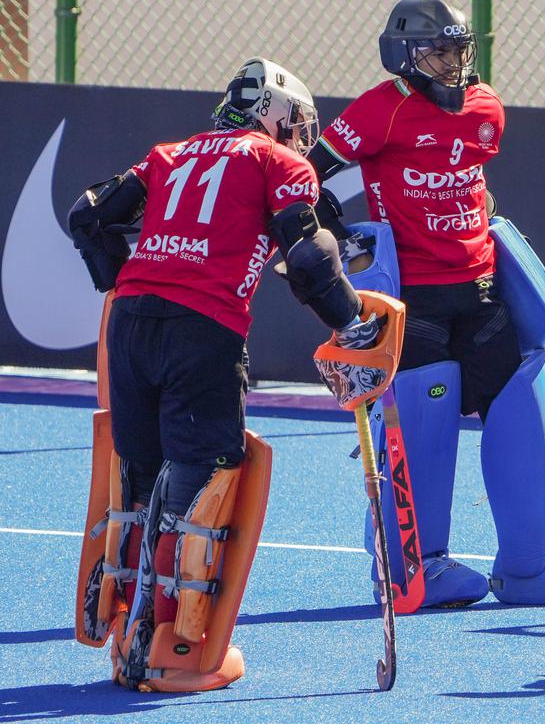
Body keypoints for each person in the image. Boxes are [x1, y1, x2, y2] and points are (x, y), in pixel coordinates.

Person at [70, 58, 378, 691]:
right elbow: (311, 259)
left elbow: (88, 215)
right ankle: (166, 647)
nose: (301, 140)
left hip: (128, 318)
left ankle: (122, 623)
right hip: (202, 327)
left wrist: (128, 278)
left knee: (139, 474)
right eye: (297, 126)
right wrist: (350, 323)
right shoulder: (279, 161)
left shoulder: (170, 154)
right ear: (277, 116)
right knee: (204, 474)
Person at [307, 0, 545, 608]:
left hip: (479, 289)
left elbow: (471, 179)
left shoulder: (486, 108)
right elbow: (307, 173)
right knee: (426, 411)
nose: (451, 62)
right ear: (403, 54)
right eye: (436, 50)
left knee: (527, 387)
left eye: (457, 48)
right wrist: (336, 232)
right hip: (415, 301)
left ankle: (531, 565)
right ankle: (414, 568)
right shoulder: (379, 111)